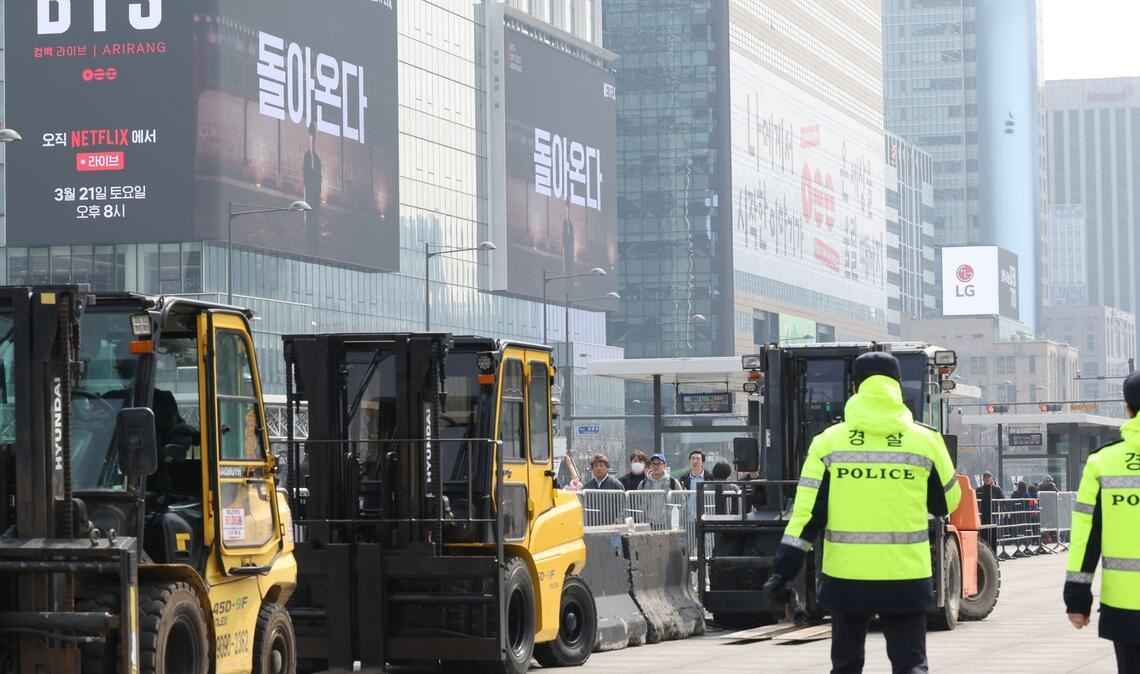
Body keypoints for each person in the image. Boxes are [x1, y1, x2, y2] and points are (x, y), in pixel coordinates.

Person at [764, 352, 961, 674]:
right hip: (906, 577)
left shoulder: (828, 442)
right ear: (897, 387)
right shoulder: (927, 441)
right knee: (910, 665)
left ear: (854, 387)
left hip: (846, 578)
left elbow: (806, 516)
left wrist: (783, 572)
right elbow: (946, 504)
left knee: (846, 665)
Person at [1065, 372, 1140, 673]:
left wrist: (1076, 599)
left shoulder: (1102, 462)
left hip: (1126, 609)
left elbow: (1086, 538)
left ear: (1127, 408)